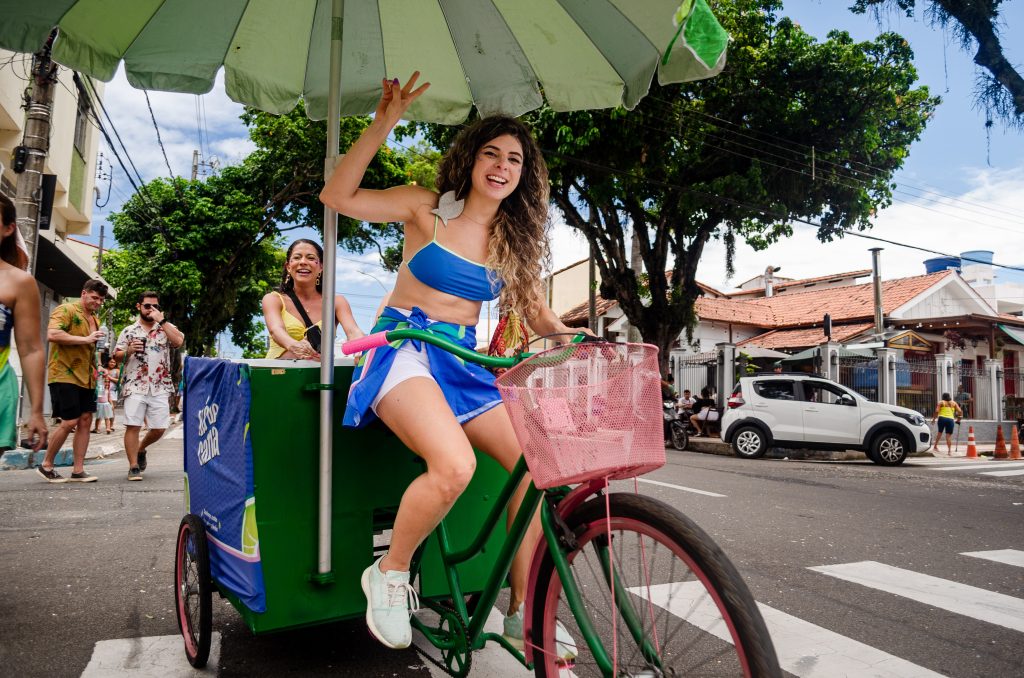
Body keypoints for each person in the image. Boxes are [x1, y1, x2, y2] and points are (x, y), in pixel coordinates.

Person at [320, 72, 585, 655]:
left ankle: (524, 611)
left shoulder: (511, 243)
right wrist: (385, 120)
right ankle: (389, 574)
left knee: (535, 469)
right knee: (455, 467)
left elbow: (537, 313)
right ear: (470, 160)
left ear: (523, 175)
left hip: (461, 364)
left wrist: (574, 337)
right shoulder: (424, 209)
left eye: (514, 159)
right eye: (491, 152)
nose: (501, 165)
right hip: (401, 353)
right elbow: (337, 198)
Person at [36, 279, 108, 483]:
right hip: (64, 373)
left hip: (87, 377)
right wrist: (85, 339)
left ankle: (78, 470)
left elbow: (93, 346)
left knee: (86, 420)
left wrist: (99, 364)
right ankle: (46, 465)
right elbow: (52, 334)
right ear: (84, 293)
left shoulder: (94, 318)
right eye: (95, 297)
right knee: (69, 421)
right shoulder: (66, 309)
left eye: (101, 299)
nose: (98, 302)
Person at [112, 291, 185, 481]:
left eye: (155, 306)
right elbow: (116, 356)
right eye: (147, 306)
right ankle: (133, 466)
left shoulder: (166, 328)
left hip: (160, 385)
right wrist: (128, 350)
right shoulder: (129, 330)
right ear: (138, 307)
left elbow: (178, 341)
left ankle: (141, 448)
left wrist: (162, 321)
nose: (151, 309)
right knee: (133, 425)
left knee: (160, 428)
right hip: (135, 384)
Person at [262, 239, 364, 360]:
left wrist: (361, 346)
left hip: (320, 375)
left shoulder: (336, 302)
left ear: (321, 267)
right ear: (288, 266)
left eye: (310, 258)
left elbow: (353, 331)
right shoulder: (273, 299)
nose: (303, 262)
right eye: (297, 257)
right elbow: (276, 330)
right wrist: (294, 345)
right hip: (278, 374)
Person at [0, 194, 47, 454]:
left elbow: (31, 349)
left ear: (8, 229)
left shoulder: (19, 282)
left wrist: (37, 411)